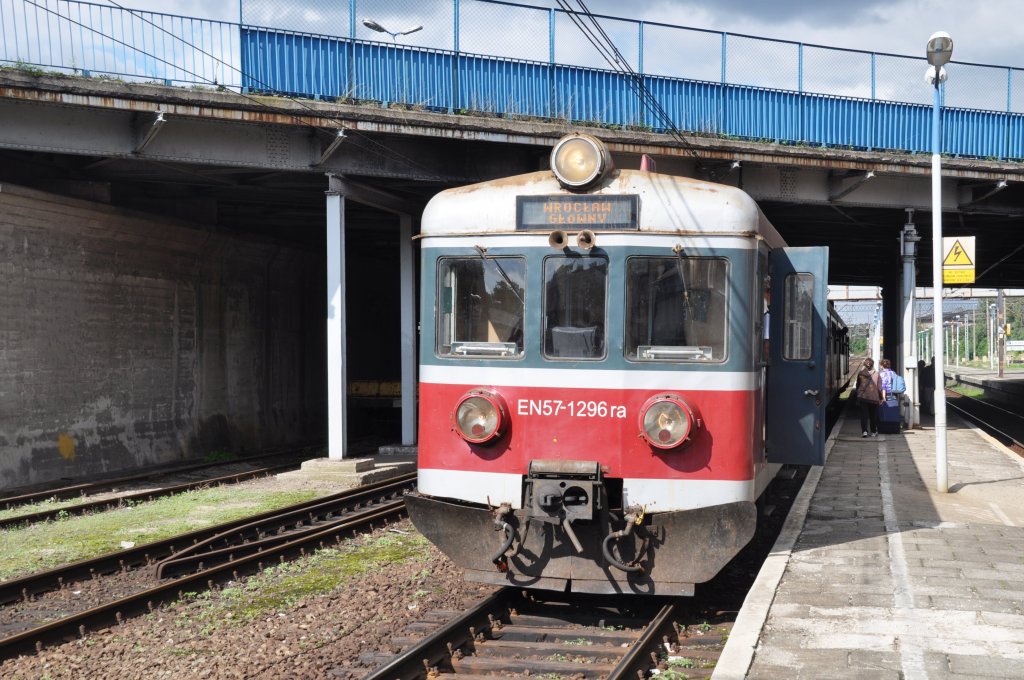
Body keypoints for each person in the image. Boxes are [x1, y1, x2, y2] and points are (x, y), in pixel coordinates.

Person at [855, 358, 882, 437]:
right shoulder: (877, 374)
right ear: (873, 365)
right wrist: (881, 398)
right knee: (873, 415)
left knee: (864, 415)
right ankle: (873, 432)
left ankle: (864, 432)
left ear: (864, 365)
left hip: (863, 397)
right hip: (874, 398)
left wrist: (858, 394)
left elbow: (858, 385)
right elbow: (879, 388)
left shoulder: (860, 373)